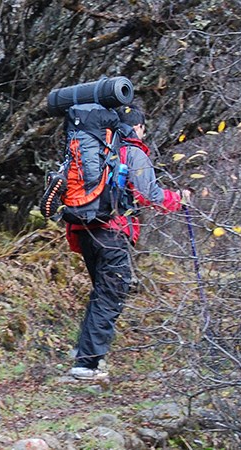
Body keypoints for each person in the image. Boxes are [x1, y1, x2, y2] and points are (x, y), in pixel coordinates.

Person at [64, 105, 189, 380]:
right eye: (143, 128)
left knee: (102, 292)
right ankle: (87, 365)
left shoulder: (94, 147)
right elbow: (149, 194)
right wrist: (178, 198)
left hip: (83, 228)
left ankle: (83, 352)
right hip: (112, 231)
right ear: (138, 127)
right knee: (112, 293)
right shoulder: (131, 151)